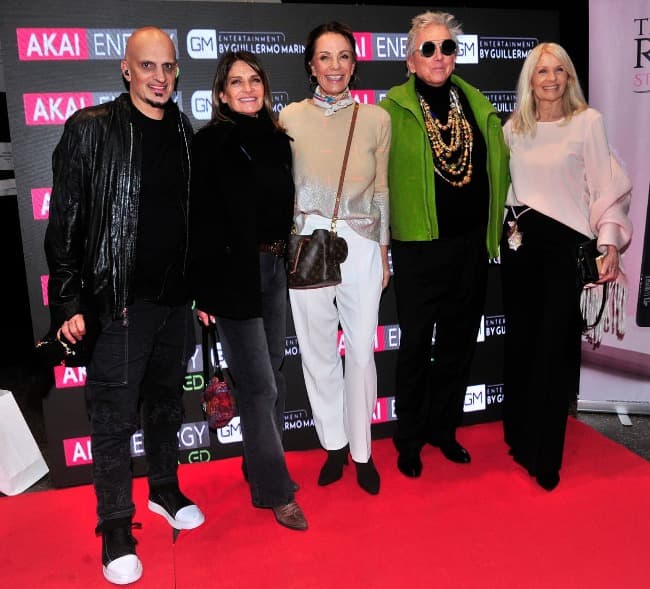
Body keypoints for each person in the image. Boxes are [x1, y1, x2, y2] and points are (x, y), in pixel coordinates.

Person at [44, 27, 204, 585]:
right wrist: (66, 300)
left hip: (174, 301)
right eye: (148, 66)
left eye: (168, 67)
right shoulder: (92, 130)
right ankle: (115, 526)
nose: (159, 77)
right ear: (126, 69)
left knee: (164, 405)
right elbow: (63, 221)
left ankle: (163, 488)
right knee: (112, 421)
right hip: (118, 306)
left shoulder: (184, 130)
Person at [379, 11, 509, 478]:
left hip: (470, 246)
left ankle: (443, 429)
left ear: (456, 56)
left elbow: (501, 167)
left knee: (457, 344)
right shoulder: (391, 110)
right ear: (411, 60)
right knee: (415, 346)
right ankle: (409, 437)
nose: (439, 56)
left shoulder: (474, 103)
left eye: (447, 47)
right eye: (428, 48)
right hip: (417, 249)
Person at [500, 42, 632, 491]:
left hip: (565, 251)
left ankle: (546, 456)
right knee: (520, 346)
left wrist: (609, 243)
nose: (551, 78)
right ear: (529, 80)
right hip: (519, 249)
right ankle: (519, 439)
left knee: (555, 351)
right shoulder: (512, 128)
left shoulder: (588, 123)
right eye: (542, 72)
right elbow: (507, 191)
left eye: (559, 70)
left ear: (570, 77)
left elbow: (606, 189)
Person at [190, 51, 307, 530]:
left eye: (254, 80)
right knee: (258, 385)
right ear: (221, 93)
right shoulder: (210, 143)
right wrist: (204, 294)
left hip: (275, 267)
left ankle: (257, 464)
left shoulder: (280, 143)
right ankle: (275, 491)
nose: (246, 88)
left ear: (265, 86)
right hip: (232, 275)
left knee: (273, 377)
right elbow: (198, 223)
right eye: (235, 82)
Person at [279, 22, 391, 495]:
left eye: (344, 56)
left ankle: (363, 450)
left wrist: (384, 253)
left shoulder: (376, 119)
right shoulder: (288, 118)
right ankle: (334, 444)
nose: (335, 66)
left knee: (361, 351)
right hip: (308, 241)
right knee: (318, 350)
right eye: (325, 57)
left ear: (354, 64)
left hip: (362, 242)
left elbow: (382, 188)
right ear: (311, 65)